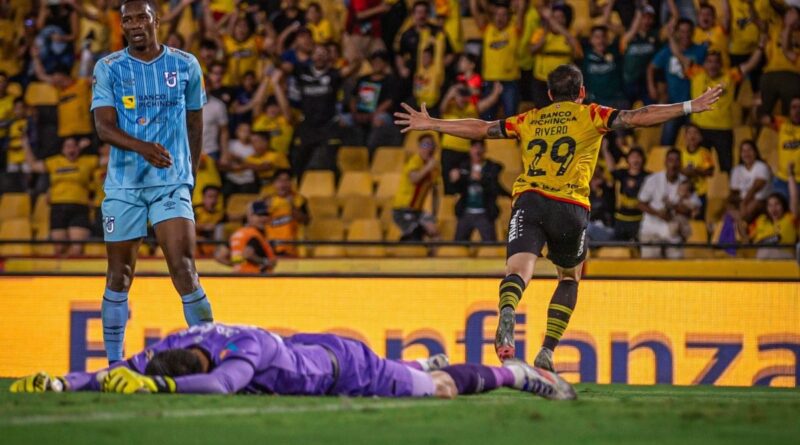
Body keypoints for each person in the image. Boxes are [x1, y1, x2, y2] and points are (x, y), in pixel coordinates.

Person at [394, 64, 722, 369]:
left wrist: (434, 123)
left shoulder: (531, 118)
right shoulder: (592, 114)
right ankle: (547, 350)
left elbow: (481, 128)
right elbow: (640, 116)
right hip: (570, 205)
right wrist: (690, 106)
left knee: (518, 270)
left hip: (530, 200)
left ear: (549, 95)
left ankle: (508, 311)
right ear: (582, 92)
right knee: (568, 277)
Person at [90, 0, 214, 364]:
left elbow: (195, 123)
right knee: (119, 274)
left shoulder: (186, 64)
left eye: (140, 17)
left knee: (184, 268)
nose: (133, 25)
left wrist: (188, 173)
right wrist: (143, 147)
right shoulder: (109, 68)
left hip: (170, 183)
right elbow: (103, 127)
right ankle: (114, 364)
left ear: (155, 20)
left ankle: (209, 351)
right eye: (126, 19)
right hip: (124, 186)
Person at [10, 323, 576, 401]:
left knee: (438, 392)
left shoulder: (239, 354)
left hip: (340, 366)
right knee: (421, 372)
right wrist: (63, 381)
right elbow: (120, 366)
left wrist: (161, 391)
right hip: (303, 348)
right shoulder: (173, 344)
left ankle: (518, 374)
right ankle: (424, 359)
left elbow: (221, 386)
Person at [670, 41, 764, 173]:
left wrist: (761, 45)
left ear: (720, 64)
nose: (712, 65)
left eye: (716, 62)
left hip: (723, 130)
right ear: (704, 64)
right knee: (701, 167)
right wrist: (670, 36)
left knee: (726, 168)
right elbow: (678, 54)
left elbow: (751, 64)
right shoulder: (696, 73)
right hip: (699, 129)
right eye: (709, 61)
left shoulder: (730, 76)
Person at [24, 137, 98, 256]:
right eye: (67, 146)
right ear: (62, 150)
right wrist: (25, 142)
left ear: (79, 149)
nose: (71, 149)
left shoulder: (88, 161)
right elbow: (33, 165)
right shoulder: (54, 162)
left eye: (74, 145)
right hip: (58, 209)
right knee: (59, 249)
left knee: (77, 249)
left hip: (79, 208)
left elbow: (109, 159)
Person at [648, 18, 707, 146]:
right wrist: (652, 87)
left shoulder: (701, 51)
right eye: (682, 31)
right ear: (677, 33)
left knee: (696, 143)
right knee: (667, 141)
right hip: (673, 103)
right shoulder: (666, 51)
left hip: (694, 103)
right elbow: (651, 67)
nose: (685, 35)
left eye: (688, 31)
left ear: (693, 32)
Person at [470, 0, 525, 119]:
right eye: (497, 14)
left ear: (509, 17)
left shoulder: (514, 29)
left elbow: (521, 9)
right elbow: (475, 11)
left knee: (511, 119)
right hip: (490, 81)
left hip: (510, 82)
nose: (500, 18)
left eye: (504, 14)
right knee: (486, 119)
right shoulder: (487, 29)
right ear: (493, 16)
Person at [450, 139, 507, 242]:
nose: (478, 150)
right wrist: (455, 180)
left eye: (480, 147)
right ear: (470, 150)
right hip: (466, 211)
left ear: (485, 149)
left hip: (485, 213)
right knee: (458, 245)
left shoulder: (492, 167)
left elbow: (496, 188)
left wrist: (482, 179)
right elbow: (456, 189)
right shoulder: (464, 166)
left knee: (490, 246)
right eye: (475, 147)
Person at [637, 148, 690, 258]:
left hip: (673, 231)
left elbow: (690, 210)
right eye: (670, 160)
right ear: (665, 162)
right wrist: (658, 214)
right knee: (650, 263)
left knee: (677, 264)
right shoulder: (653, 179)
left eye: (676, 160)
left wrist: (674, 207)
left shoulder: (685, 182)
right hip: (651, 229)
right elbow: (641, 204)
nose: (673, 164)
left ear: (681, 163)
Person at [392, 134, 441, 242]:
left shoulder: (434, 169)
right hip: (402, 209)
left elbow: (435, 193)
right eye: (425, 144)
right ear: (419, 147)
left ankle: (435, 258)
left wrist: (434, 214)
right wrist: (428, 167)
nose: (429, 148)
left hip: (417, 211)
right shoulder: (415, 160)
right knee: (415, 236)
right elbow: (414, 179)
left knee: (435, 233)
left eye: (431, 145)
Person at [601, 145, 649, 241]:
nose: (635, 160)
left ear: (643, 159)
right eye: (632, 157)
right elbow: (611, 169)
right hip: (621, 219)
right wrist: (605, 150)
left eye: (638, 157)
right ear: (628, 159)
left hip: (640, 219)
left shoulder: (649, 177)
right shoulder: (622, 174)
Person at [263, 169, 310, 257]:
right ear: (274, 184)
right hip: (272, 245)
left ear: (291, 183)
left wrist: (292, 206)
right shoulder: (267, 200)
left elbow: (306, 221)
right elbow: (259, 222)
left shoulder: (299, 200)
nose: (283, 184)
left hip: (292, 245)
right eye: (279, 180)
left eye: (286, 180)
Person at [741, 192, 797, 259]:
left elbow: (794, 198)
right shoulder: (761, 220)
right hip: (761, 254)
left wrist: (791, 181)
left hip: (786, 255)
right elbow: (746, 235)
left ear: (783, 205)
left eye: (777, 204)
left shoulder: (790, 218)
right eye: (770, 205)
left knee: (766, 252)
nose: (773, 208)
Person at [229, 200, 278, 274]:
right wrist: (266, 262)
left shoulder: (238, 233)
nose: (263, 218)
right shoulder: (254, 234)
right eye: (259, 215)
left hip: (238, 276)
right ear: (250, 217)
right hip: (253, 277)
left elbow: (220, 255)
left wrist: (239, 264)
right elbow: (248, 254)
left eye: (266, 215)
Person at [678, 124, 715, 220]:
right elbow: (675, 170)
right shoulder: (680, 153)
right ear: (685, 136)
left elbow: (710, 172)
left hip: (700, 193)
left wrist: (696, 171)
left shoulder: (705, 153)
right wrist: (684, 171)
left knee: (698, 220)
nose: (692, 136)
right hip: (683, 195)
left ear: (700, 137)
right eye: (689, 132)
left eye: (695, 133)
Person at [730, 140, 771, 222]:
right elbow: (734, 193)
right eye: (743, 151)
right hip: (742, 201)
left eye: (749, 150)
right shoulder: (736, 170)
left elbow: (756, 187)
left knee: (749, 210)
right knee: (728, 211)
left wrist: (744, 203)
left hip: (760, 200)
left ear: (755, 152)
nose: (747, 153)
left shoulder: (762, 166)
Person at [768, 96, 800, 199]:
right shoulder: (782, 124)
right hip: (781, 179)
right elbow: (762, 118)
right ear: (789, 110)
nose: (797, 110)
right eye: (794, 107)